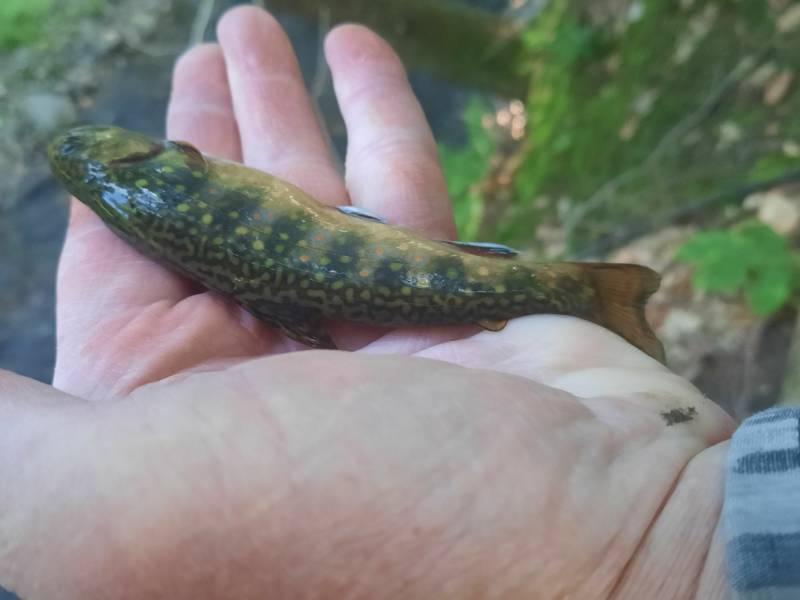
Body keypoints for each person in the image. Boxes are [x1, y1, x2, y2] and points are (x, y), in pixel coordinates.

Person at [0, 6, 793, 599]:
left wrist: (665, 552)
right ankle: (589, 292)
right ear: (143, 159)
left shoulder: (143, 200)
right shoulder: (161, 178)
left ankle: (582, 292)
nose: (83, 148)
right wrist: (666, 549)